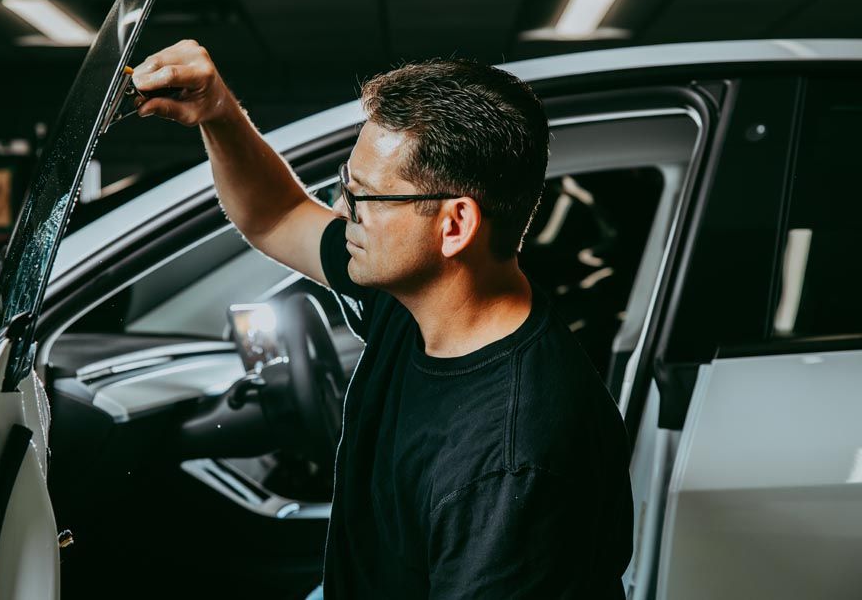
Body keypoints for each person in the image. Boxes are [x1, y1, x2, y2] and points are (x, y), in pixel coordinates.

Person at [132, 40, 634, 599]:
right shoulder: (416, 301)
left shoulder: (510, 463)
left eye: (364, 196)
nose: (343, 210)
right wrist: (218, 111)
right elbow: (274, 214)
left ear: (453, 225)